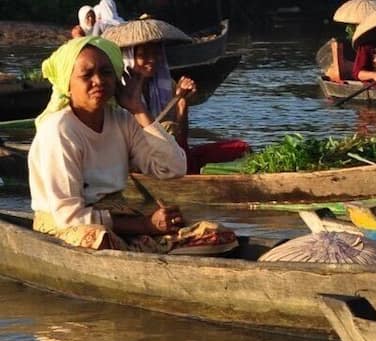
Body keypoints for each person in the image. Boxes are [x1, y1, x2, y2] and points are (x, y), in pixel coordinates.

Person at [26, 37, 229, 253]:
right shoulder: (59, 130)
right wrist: (145, 225)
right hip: (65, 226)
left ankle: (143, 252)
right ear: (68, 83)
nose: (99, 81)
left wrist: (139, 109)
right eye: (87, 75)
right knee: (100, 240)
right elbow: (70, 217)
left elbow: (173, 167)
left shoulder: (122, 120)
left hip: (118, 218)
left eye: (106, 73)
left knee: (217, 234)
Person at [109, 19, 250, 174]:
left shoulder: (166, 85)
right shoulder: (118, 90)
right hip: (132, 158)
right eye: (143, 55)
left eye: (156, 54)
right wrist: (137, 108)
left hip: (168, 153)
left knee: (240, 147)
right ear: (129, 57)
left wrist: (182, 103)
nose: (152, 60)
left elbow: (179, 137)